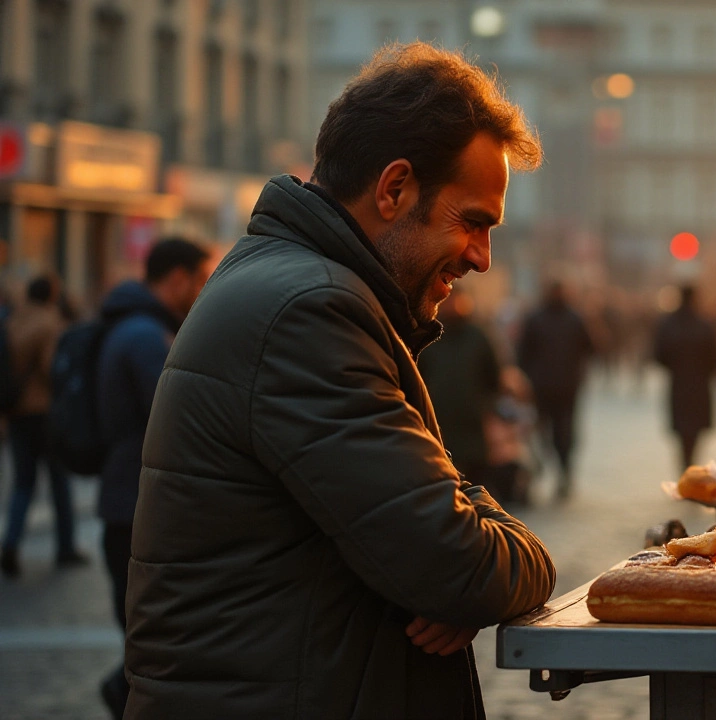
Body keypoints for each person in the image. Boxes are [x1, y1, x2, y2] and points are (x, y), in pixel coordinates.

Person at [124, 43, 555, 719]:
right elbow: (461, 566)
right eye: (472, 222)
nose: (481, 255)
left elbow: (432, 535)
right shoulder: (310, 310)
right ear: (393, 189)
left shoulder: (294, 284)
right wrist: (504, 545)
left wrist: (449, 534)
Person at [94, 238, 212, 718]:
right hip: (137, 510)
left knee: (153, 647)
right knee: (157, 651)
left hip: (127, 504)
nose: (206, 291)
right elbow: (182, 420)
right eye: (202, 280)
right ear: (177, 278)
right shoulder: (147, 337)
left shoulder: (137, 328)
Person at [0, 276, 86, 578]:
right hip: (46, 412)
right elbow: (54, 369)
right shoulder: (50, 323)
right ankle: (65, 547)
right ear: (51, 295)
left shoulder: (12, 320)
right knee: (59, 480)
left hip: (17, 413)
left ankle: (10, 542)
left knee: (23, 483)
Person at [417, 287, 501, 491]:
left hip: (472, 422)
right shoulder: (429, 335)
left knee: (475, 480)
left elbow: (493, 376)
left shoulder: (478, 336)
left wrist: (485, 406)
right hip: (438, 423)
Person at [517, 281, 594, 498]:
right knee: (562, 431)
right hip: (562, 385)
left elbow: (522, 354)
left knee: (552, 431)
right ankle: (563, 468)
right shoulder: (574, 318)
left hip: (550, 385)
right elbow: (592, 348)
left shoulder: (539, 318)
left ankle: (561, 469)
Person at [653, 285, 716, 469]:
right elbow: (715, 357)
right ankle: (690, 463)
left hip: (679, 384)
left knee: (683, 430)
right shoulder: (705, 324)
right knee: (695, 429)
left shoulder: (668, 324)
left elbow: (659, 355)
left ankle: (685, 464)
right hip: (700, 384)